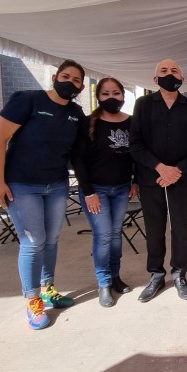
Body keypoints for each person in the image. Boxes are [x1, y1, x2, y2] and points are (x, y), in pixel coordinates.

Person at [0, 59, 86, 330]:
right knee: (33, 242)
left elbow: (78, 151)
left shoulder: (76, 113)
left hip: (56, 184)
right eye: (66, 76)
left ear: (80, 87)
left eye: (76, 80)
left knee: (51, 240)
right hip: (22, 184)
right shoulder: (28, 100)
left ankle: (47, 288)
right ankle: (32, 299)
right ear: (55, 77)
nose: (70, 82)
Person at [130, 59, 187, 302]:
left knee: (181, 227)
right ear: (155, 79)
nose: (169, 74)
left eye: (174, 71)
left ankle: (180, 273)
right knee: (154, 228)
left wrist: (177, 170)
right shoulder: (143, 105)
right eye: (163, 71)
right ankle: (156, 274)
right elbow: (135, 144)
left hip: (182, 177)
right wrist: (160, 168)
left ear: (182, 79)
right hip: (151, 177)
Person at [72, 78, 137, 308]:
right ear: (98, 97)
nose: (111, 97)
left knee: (116, 234)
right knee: (103, 236)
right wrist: (88, 191)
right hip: (96, 190)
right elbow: (78, 159)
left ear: (123, 96)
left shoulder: (131, 122)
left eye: (116, 93)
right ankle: (104, 283)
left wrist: (136, 181)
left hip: (121, 188)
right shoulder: (88, 123)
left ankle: (115, 276)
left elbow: (137, 154)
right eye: (106, 93)